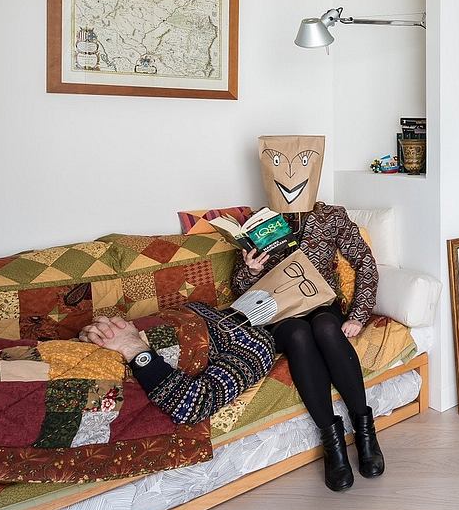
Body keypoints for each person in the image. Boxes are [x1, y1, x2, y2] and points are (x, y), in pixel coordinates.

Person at [232, 202, 384, 492]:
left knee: (325, 328)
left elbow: (365, 261)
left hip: (322, 304)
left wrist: (358, 315)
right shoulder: (260, 221)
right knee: (300, 333)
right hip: (280, 315)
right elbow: (241, 288)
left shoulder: (330, 215)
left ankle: (366, 432)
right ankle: (333, 445)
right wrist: (251, 271)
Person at [78, 302, 275, 425]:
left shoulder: (259, 341)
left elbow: (195, 404)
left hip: (125, 365)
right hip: (89, 348)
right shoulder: (202, 306)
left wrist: (133, 348)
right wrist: (102, 331)